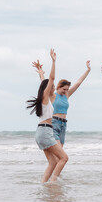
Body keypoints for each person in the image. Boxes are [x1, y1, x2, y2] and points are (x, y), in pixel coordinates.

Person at [27, 49, 68, 183]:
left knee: (53, 162)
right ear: (47, 88)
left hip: (41, 132)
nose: (53, 87)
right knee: (64, 158)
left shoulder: (47, 99)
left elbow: (44, 81)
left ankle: (44, 184)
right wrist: (53, 61)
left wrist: (40, 73)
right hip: (45, 131)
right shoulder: (45, 97)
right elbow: (50, 79)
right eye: (52, 86)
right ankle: (54, 182)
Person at [32, 60, 91, 147]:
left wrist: (88, 70)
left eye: (67, 89)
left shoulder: (66, 96)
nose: (66, 91)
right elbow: (45, 84)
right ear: (58, 87)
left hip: (63, 125)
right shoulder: (52, 96)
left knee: (60, 151)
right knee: (59, 151)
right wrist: (41, 73)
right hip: (54, 123)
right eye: (64, 89)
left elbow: (78, 83)